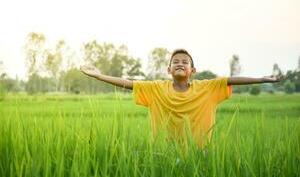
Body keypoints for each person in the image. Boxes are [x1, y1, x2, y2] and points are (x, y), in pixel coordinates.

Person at [80, 49, 283, 148]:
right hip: (163, 153)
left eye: (185, 62)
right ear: (168, 69)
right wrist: (99, 75)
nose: (180, 63)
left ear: (192, 70)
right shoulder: (156, 88)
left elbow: (230, 79)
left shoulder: (207, 88)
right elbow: (128, 82)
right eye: (175, 61)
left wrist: (261, 79)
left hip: (199, 155)